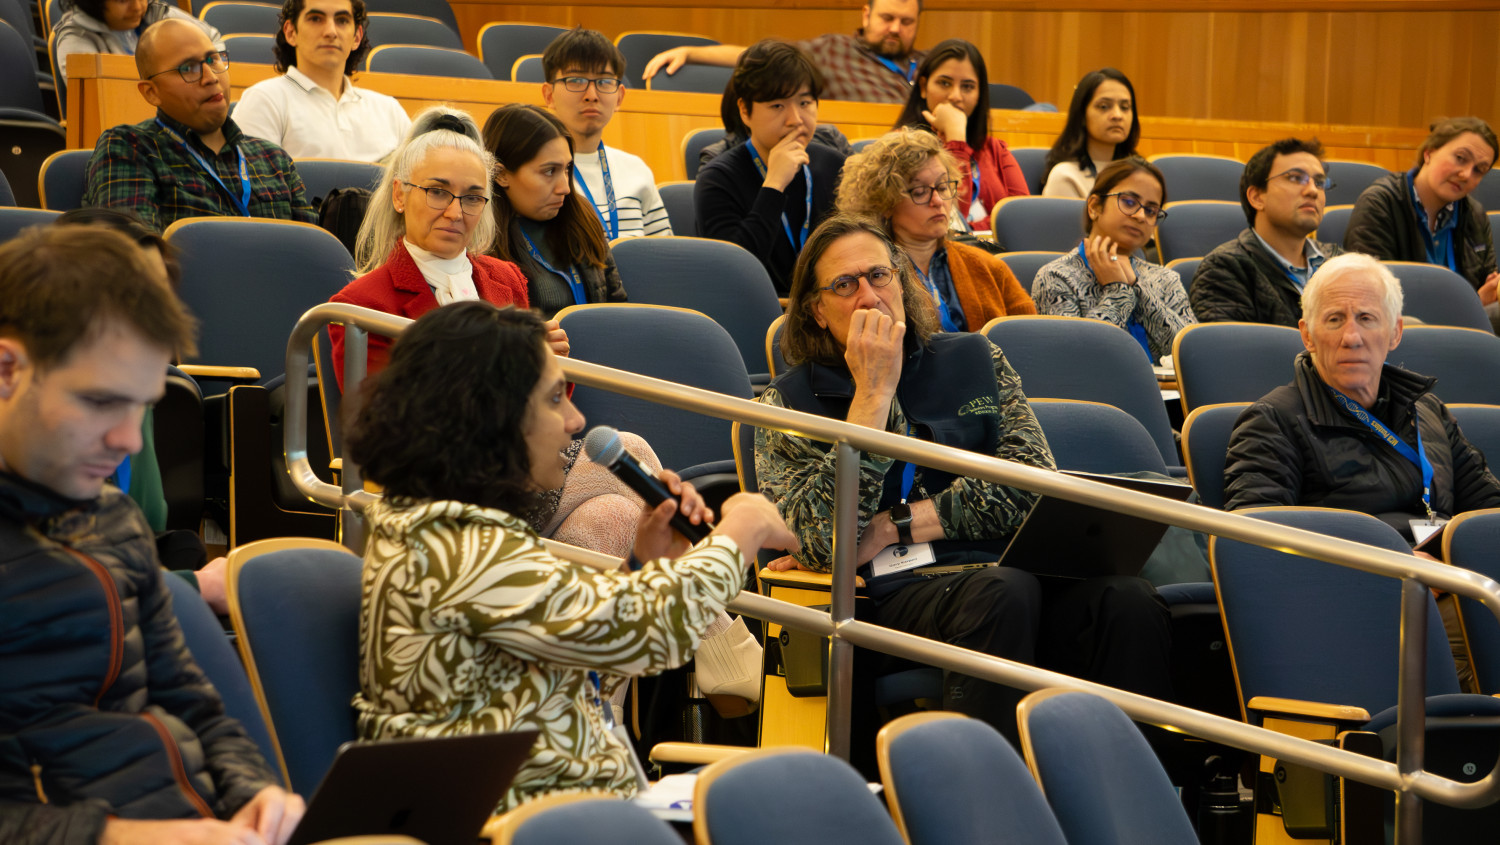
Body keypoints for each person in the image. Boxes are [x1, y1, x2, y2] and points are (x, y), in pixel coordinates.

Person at [348, 301, 797, 812]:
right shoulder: (454, 551)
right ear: (491, 417)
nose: (576, 420)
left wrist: (644, 565)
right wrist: (738, 532)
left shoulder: (453, 533)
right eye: (555, 399)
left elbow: (589, 661)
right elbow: (645, 635)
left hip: (577, 811)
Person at [755, 213, 1171, 740]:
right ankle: (982, 802)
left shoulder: (976, 357)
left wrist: (892, 525)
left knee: (1128, 601)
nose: (869, 296)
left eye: (879, 276)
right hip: (887, 595)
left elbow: (1030, 482)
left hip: (1003, 566)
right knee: (1002, 592)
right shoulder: (787, 403)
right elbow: (824, 542)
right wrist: (872, 397)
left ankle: (1131, 798)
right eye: (844, 285)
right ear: (816, 311)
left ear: (902, 282)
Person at [0, 224, 305, 845]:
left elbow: (191, 700)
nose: (129, 442)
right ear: (8, 369)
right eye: (101, 403)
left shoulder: (110, 518)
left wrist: (255, 793)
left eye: (141, 406)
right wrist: (132, 838)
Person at [1224, 253, 1500, 534]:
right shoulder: (1272, 422)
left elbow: (1490, 511)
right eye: (1334, 319)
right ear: (1308, 336)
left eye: (1366, 318)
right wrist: (1396, 559)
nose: (1351, 338)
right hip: (1363, 575)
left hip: (1448, 572)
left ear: (1395, 332)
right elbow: (1255, 546)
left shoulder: (1427, 410)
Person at [332, 107, 527, 388]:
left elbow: (545, 412)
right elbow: (375, 421)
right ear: (399, 195)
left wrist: (547, 365)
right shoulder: (361, 304)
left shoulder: (508, 279)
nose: (455, 212)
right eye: (437, 192)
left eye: (472, 198)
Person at [82, 19, 317, 232]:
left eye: (213, 60)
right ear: (152, 92)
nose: (211, 77)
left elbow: (314, 255)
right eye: (188, 68)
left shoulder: (275, 160)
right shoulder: (130, 148)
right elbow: (135, 258)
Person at [836, 128, 1035, 331]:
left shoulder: (989, 267)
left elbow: (1029, 340)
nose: (938, 201)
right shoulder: (868, 279)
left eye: (942, 187)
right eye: (920, 192)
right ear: (885, 203)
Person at [695, 40, 845, 294]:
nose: (795, 120)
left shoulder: (834, 165)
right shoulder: (717, 179)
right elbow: (731, 274)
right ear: (745, 111)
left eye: (805, 103)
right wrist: (774, 186)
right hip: (755, 314)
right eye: (778, 106)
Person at [1032, 156, 1195, 363]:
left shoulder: (1165, 279)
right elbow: (1076, 359)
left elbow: (1191, 353)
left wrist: (1138, 289)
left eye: (1151, 210)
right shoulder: (1057, 277)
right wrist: (1118, 290)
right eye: (1129, 202)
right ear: (1094, 207)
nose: (1140, 216)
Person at [1343, 117, 1498, 329]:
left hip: (1465, 327)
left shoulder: (1474, 215)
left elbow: (1488, 283)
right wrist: (1471, 307)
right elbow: (1371, 294)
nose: (1466, 174)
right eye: (1460, 158)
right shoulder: (1380, 203)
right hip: (1395, 326)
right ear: (1429, 152)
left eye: (1478, 170)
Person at [482, 104, 629, 319]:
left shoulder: (581, 216)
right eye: (549, 171)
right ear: (500, 174)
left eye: (567, 168)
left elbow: (618, 310)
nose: (565, 188)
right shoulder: (480, 241)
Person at [642, 0, 925, 105]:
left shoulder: (929, 67)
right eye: (887, 18)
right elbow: (763, 56)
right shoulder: (833, 50)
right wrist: (692, 53)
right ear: (866, 16)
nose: (895, 29)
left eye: (906, 22)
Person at [232, 0, 412, 162]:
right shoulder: (263, 100)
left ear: (357, 37)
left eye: (342, 20)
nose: (331, 32)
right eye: (316, 19)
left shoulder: (390, 111)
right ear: (291, 32)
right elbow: (257, 192)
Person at [1191, 138, 1344, 327]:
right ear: (1256, 197)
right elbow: (1233, 354)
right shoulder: (1224, 270)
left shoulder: (1341, 263)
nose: (1313, 191)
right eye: (1296, 178)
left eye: (1319, 183)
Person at [540, 27, 671, 239]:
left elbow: (666, 258)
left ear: (619, 97)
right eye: (576, 80)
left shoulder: (636, 170)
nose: (591, 95)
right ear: (549, 95)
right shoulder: (537, 174)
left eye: (604, 82)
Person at [893, 38, 1028, 232]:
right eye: (945, 83)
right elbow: (949, 221)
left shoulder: (996, 150)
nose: (956, 96)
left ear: (979, 94)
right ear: (923, 87)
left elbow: (1021, 219)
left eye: (967, 86)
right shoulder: (900, 147)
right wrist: (956, 139)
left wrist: (972, 229)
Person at [51, 0, 220, 82]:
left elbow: (212, 39)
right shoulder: (75, 39)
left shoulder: (158, 13)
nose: (138, 7)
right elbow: (99, 100)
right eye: (123, 1)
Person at [1040, 68, 1140, 198]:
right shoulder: (1066, 176)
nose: (1117, 115)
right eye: (1104, 106)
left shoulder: (1140, 174)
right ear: (1082, 115)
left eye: (1125, 107)